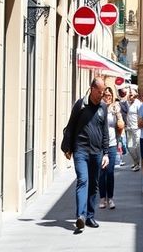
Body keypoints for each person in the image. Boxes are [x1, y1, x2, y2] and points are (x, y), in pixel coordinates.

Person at [61, 77, 110, 232]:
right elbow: (70, 126)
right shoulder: (80, 105)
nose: (101, 95)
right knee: (83, 180)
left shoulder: (103, 107)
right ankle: (80, 216)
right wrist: (67, 147)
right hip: (81, 150)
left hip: (97, 152)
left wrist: (106, 153)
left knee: (93, 184)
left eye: (103, 92)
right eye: (100, 92)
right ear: (92, 89)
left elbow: (105, 132)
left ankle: (90, 216)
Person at [98, 87, 124, 209]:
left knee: (110, 172)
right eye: (106, 95)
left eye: (110, 95)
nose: (108, 97)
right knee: (101, 173)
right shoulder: (99, 108)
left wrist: (118, 114)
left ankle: (111, 198)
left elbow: (121, 125)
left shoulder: (115, 108)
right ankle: (102, 198)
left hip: (112, 143)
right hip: (100, 145)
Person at [125, 88, 142, 171]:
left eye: (132, 91)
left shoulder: (138, 104)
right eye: (129, 91)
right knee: (129, 146)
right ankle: (135, 162)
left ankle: (137, 164)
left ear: (136, 93)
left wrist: (139, 125)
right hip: (129, 128)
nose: (130, 92)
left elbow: (141, 116)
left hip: (136, 128)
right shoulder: (127, 103)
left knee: (136, 147)